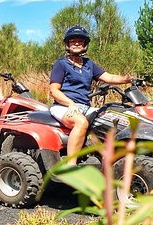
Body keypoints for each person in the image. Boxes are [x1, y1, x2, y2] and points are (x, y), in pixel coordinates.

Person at [49, 25, 134, 164]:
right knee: (81, 122)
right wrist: (70, 103)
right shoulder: (61, 64)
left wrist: (128, 79)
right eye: (73, 41)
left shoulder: (89, 64)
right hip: (63, 106)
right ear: (67, 44)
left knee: (112, 118)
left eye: (80, 41)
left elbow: (109, 77)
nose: (77, 43)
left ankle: (107, 159)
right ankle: (70, 165)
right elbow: (54, 90)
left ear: (85, 44)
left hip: (84, 107)